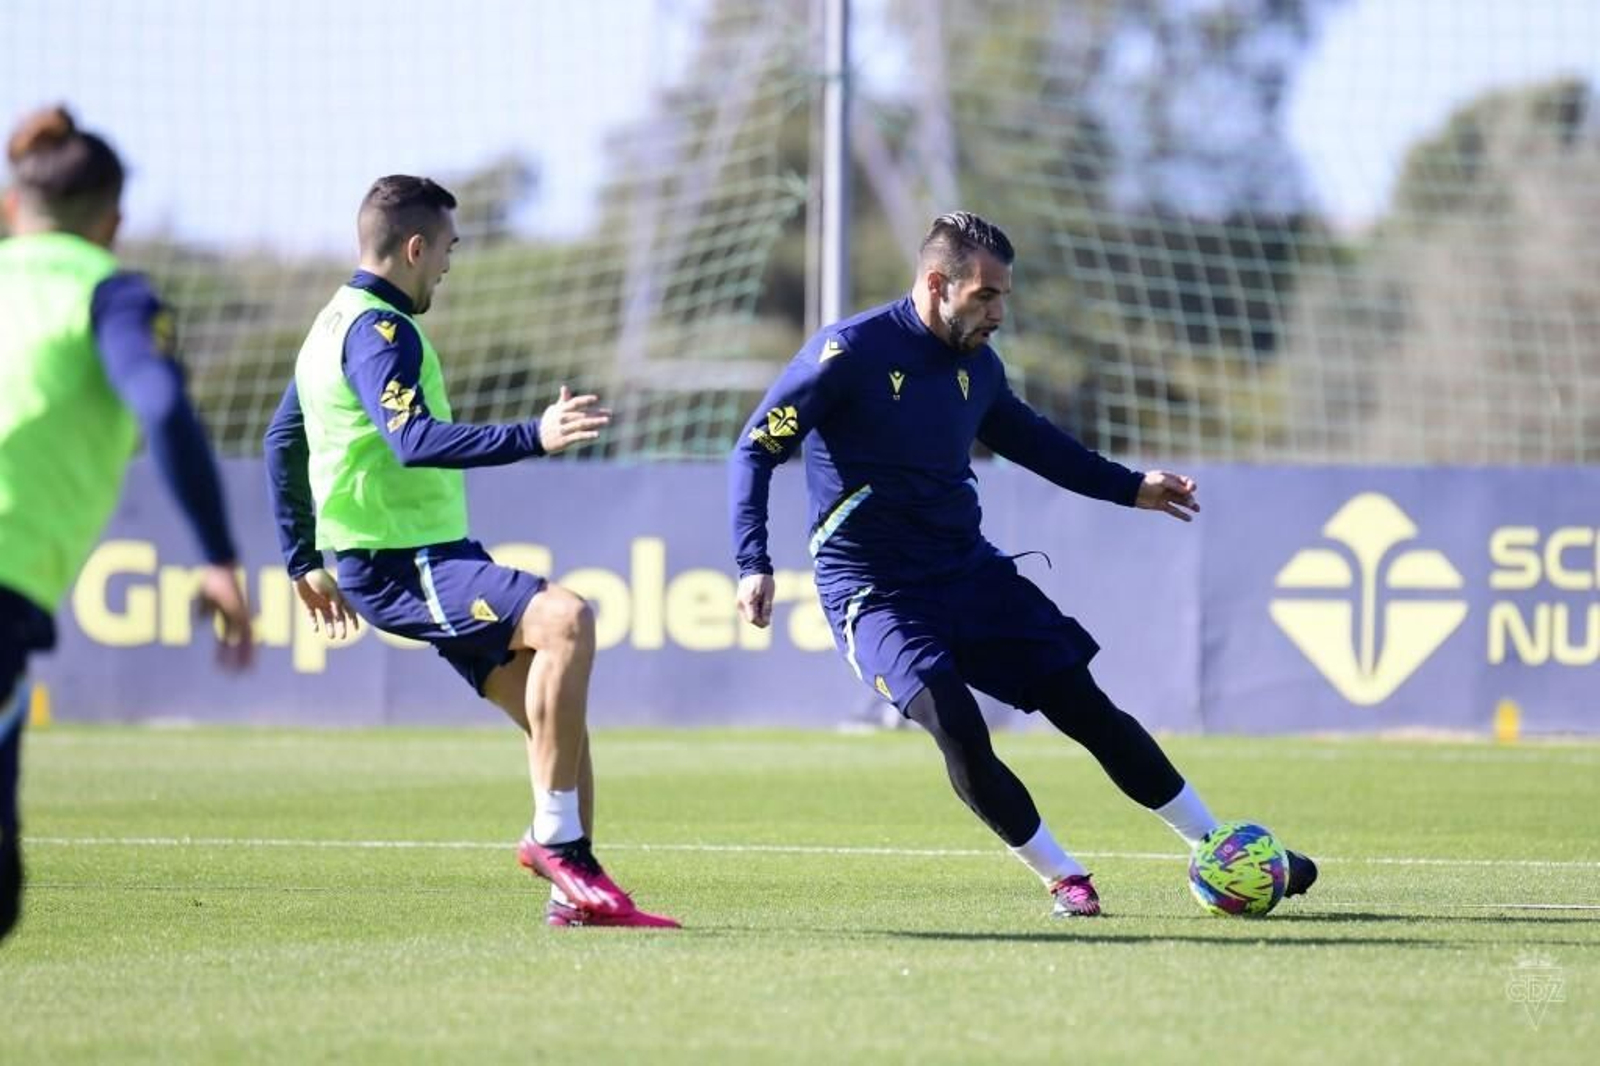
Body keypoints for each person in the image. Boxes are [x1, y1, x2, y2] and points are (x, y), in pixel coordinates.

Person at [729, 211, 1317, 917]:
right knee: (954, 720)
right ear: (938, 283)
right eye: (986, 296)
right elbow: (756, 447)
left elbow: (1036, 443)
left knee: (1086, 707)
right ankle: (1063, 874)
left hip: (970, 575)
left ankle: (1214, 843)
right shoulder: (848, 353)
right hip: (874, 591)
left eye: (1005, 296)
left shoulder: (979, 366)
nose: (999, 312)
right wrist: (752, 560)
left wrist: (1130, 487)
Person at [263, 175, 677, 930]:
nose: (450, 265)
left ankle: (574, 896)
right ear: (416, 248)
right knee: (567, 619)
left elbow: (281, 440)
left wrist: (301, 559)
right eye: (448, 248)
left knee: (558, 723)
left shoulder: (331, 323)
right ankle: (555, 844)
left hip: (419, 552)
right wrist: (534, 436)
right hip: (401, 559)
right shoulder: (378, 331)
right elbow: (411, 439)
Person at [0, 106, 255, 942]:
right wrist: (219, 555)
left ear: (11, 207)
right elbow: (162, 405)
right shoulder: (109, 291)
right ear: (113, 222)